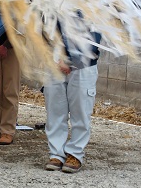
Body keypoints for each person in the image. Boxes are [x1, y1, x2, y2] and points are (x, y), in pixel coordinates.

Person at [43, 31, 100, 174]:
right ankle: (56, 154)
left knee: (80, 111)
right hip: (53, 61)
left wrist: (70, 59)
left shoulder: (92, 9)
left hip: (83, 64)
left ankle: (75, 153)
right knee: (54, 110)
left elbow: (93, 37)